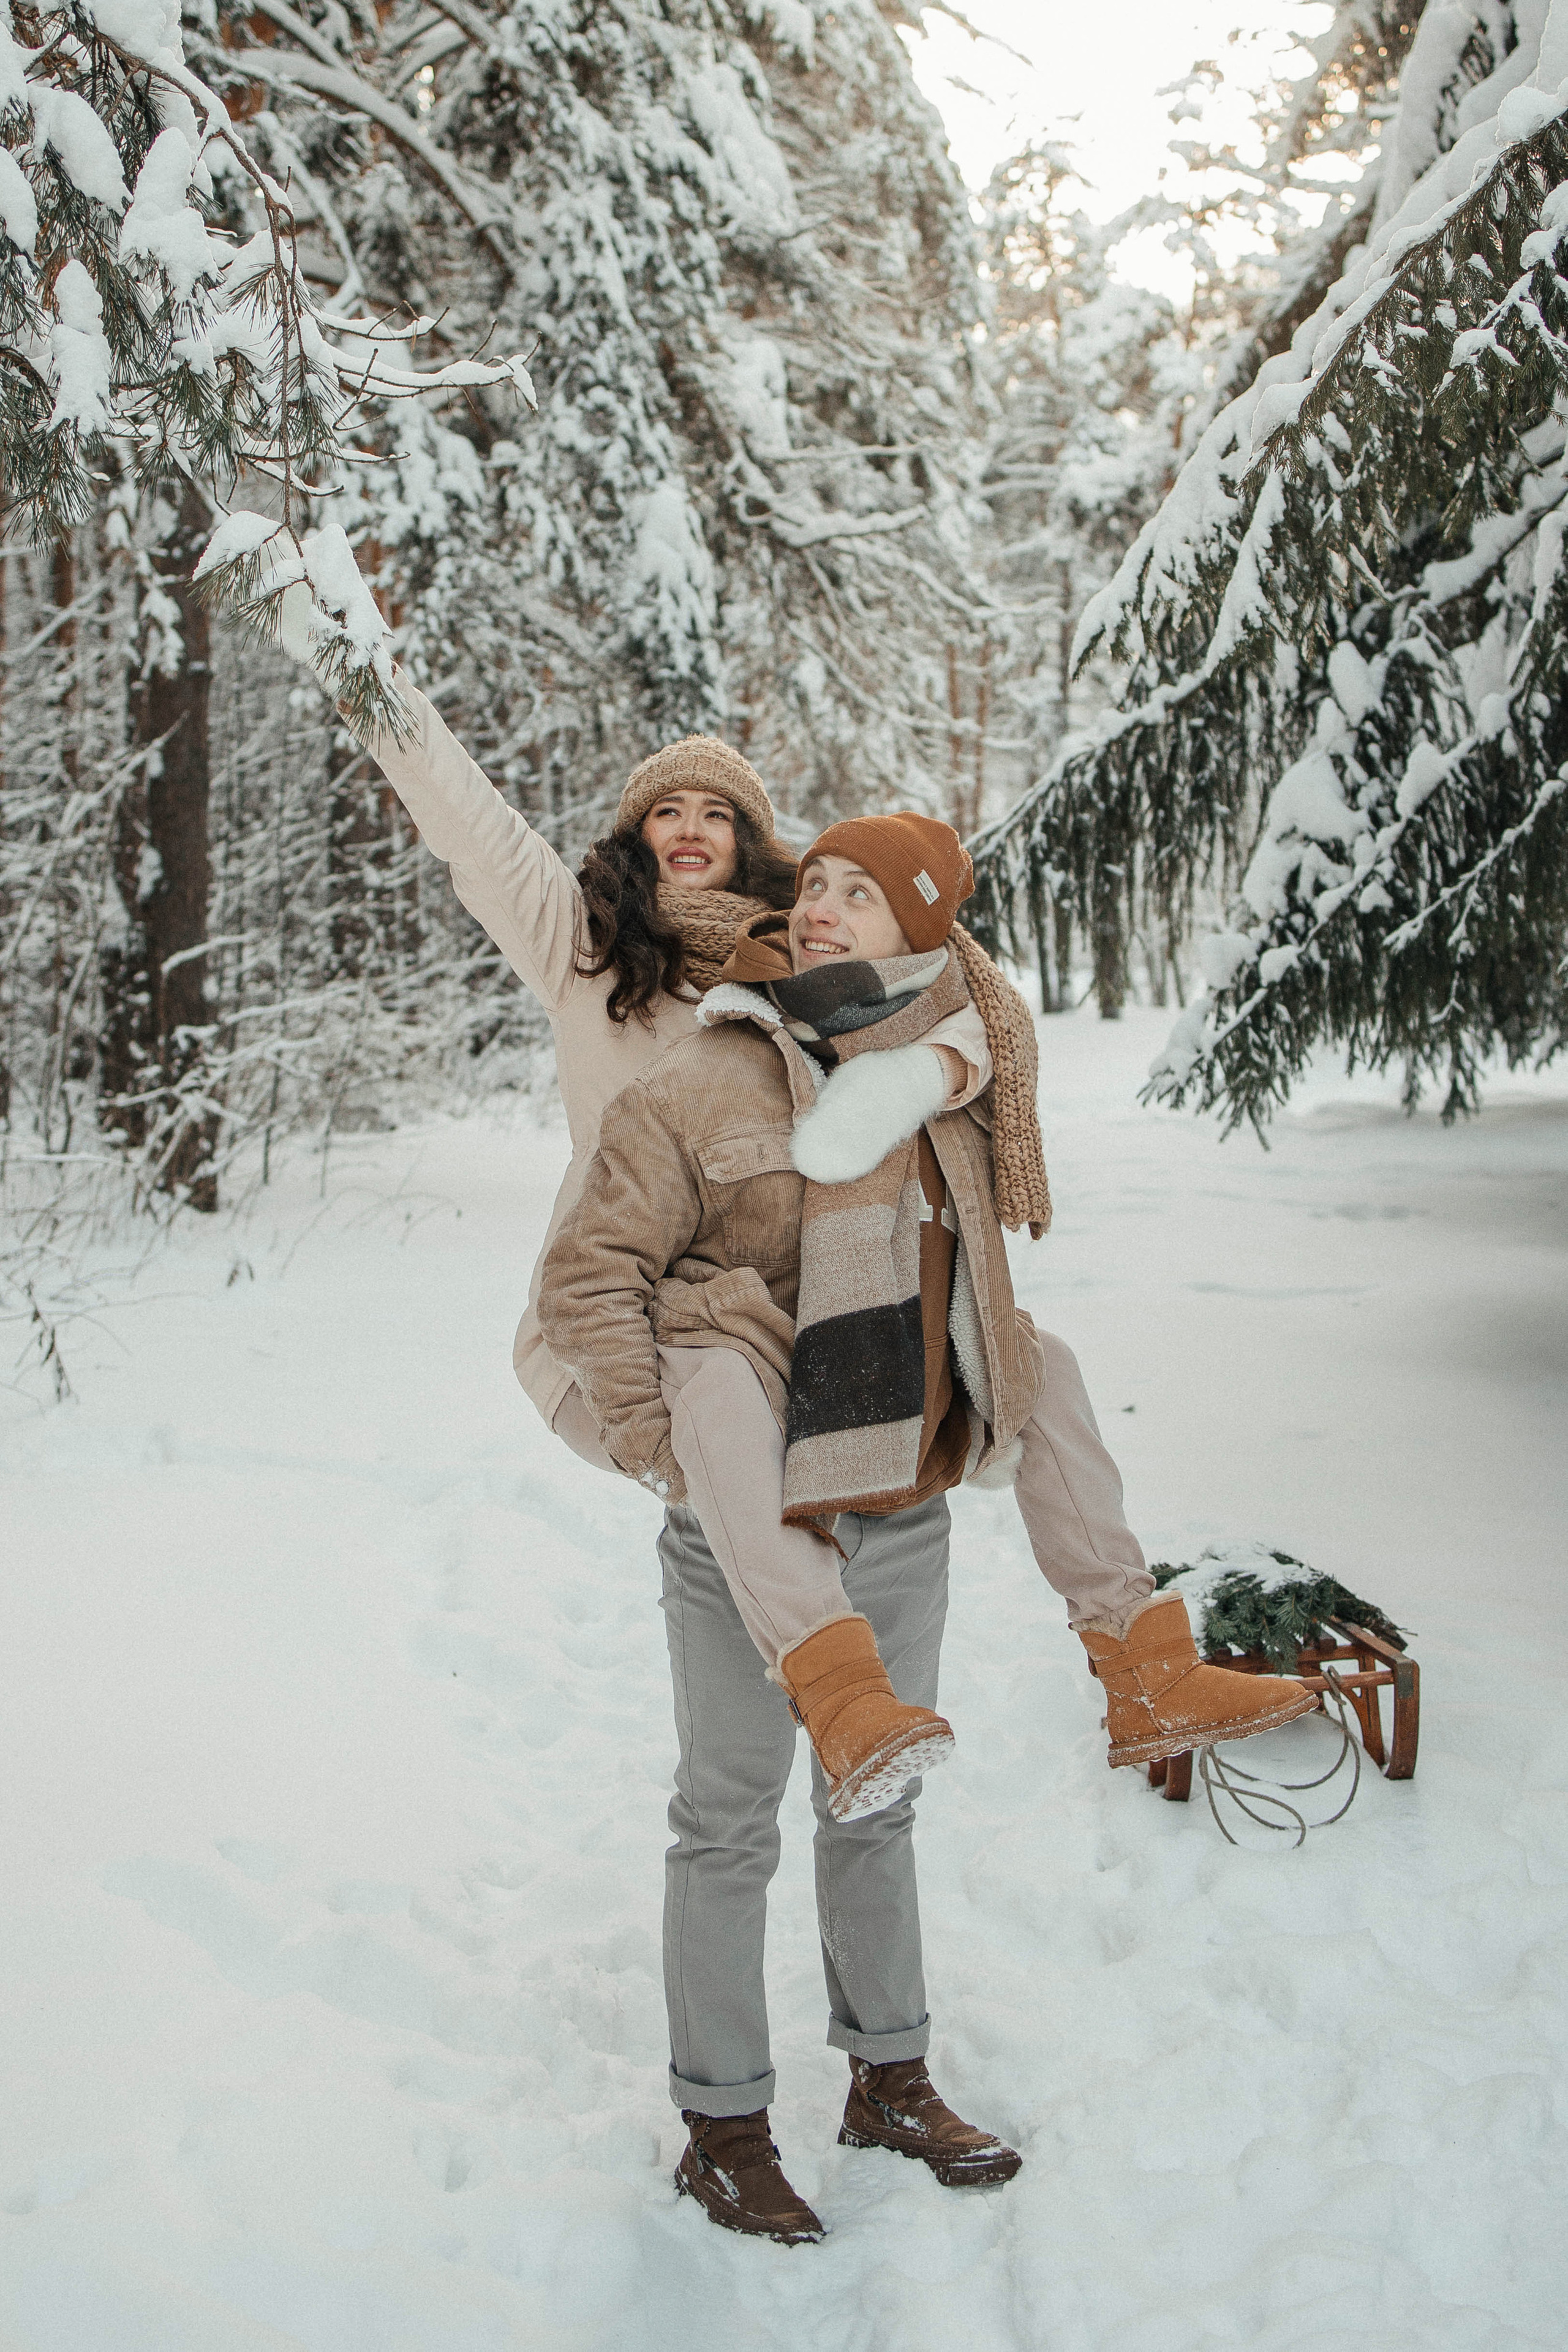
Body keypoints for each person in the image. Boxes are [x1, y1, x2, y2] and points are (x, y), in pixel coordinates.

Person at [536, 811, 1314, 2243]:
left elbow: (973, 1264)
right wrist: (666, 1456)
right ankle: (722, 2125)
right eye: (812, 885)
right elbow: (585, 1280)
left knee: (874, 1802)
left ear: (920, 934)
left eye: (856, 894)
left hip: (896, 1499)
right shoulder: (707, 1072)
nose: (821, 908)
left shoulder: (949, 1078)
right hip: (745, 1516)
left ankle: (891, 2075)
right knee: (724, 1825)